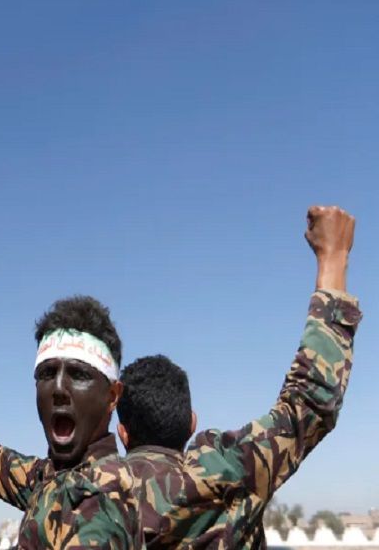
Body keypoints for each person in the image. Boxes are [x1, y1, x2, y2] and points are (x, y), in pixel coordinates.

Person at [115, 205, 361, 548]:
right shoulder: (225, 472)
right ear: (191, 423)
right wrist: (333, 258)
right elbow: (309, 402)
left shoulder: (86, 497)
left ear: (123, 433)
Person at [0, 295, 143, 548]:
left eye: (79, 374)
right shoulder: (52, 476)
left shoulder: (98, 503)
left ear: (112, 396)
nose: (59, 388)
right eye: (47, 373)